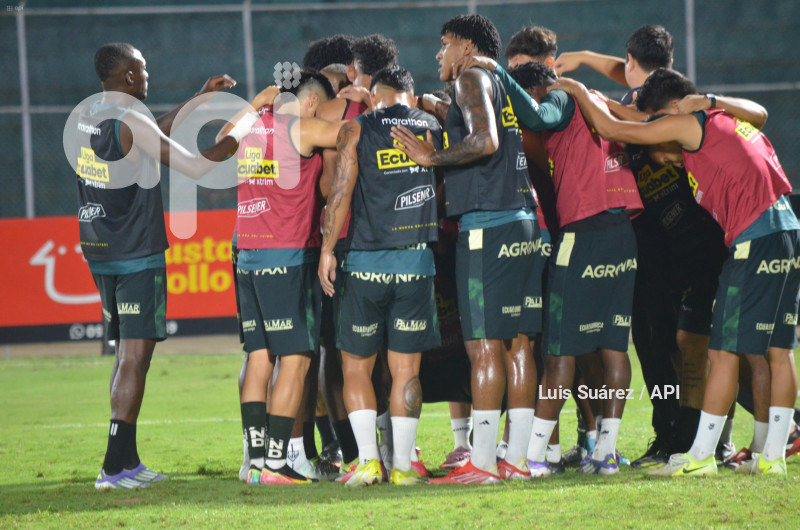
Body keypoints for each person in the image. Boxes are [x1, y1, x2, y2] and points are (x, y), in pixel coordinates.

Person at [553, 69, 800, 476]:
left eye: (656, 120)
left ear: (671, 109)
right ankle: (771, 457)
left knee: (720, 352)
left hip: (755, 237)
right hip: (786, 230)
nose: (661, 150)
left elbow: (613, 127)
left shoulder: (689, 123)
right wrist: (710, 98)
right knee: (778, 351)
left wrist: (577, 89)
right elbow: (761, 112)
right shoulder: (722, 120)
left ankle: (701, 456)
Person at [81, 42, 261, 489]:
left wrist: (198, 100)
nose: (147, 74)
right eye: (141, 69)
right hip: (136, 252)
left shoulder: (90, 116)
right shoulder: (131, 119)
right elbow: (196, 166)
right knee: (134, 358)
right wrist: (244, 130)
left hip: (100, 249)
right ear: (126, 76)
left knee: (125, 355)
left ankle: (127, 461)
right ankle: (112, 467)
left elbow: (150, 134)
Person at [391, 14, 540, 484]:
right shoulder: (495, 80)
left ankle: (480, 464)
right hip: (521, 222)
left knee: (482, 347)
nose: (439, 55)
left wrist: (430, 155)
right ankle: (515, 460)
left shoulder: (472, 77)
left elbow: (484, 140)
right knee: (518, 345)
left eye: (444, 45)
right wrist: (444, 115)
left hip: (486, 228)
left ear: (467, 46)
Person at [319, 66, 442, 486]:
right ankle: (404, 466)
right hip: (416, 265)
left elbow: (341, 192)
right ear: (409, 92)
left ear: (376, 94)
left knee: (356, 368)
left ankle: (370, 462)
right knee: (406, 371)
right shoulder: (431, 126)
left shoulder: (355, 129)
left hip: (366, 265)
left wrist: (326, 250)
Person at [232, 71, 344, 485]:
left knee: (259, 358)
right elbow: (352, 134)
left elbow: (223, 138)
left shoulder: (249, 128)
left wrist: (254, 100)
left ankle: (256, 462)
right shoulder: (304, 127)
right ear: (312, 102)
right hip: (287, 255)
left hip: (247, 256)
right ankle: (277, 464)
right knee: (296, 359)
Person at [315, 33, 400, 476]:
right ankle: (375, 453)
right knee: (384, 354)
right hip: (390, 243)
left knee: (348, 351)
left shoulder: (340, 113)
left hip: (354, 245)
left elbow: (330, 186)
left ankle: (358, 453)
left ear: (352, 71)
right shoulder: (406, 112)